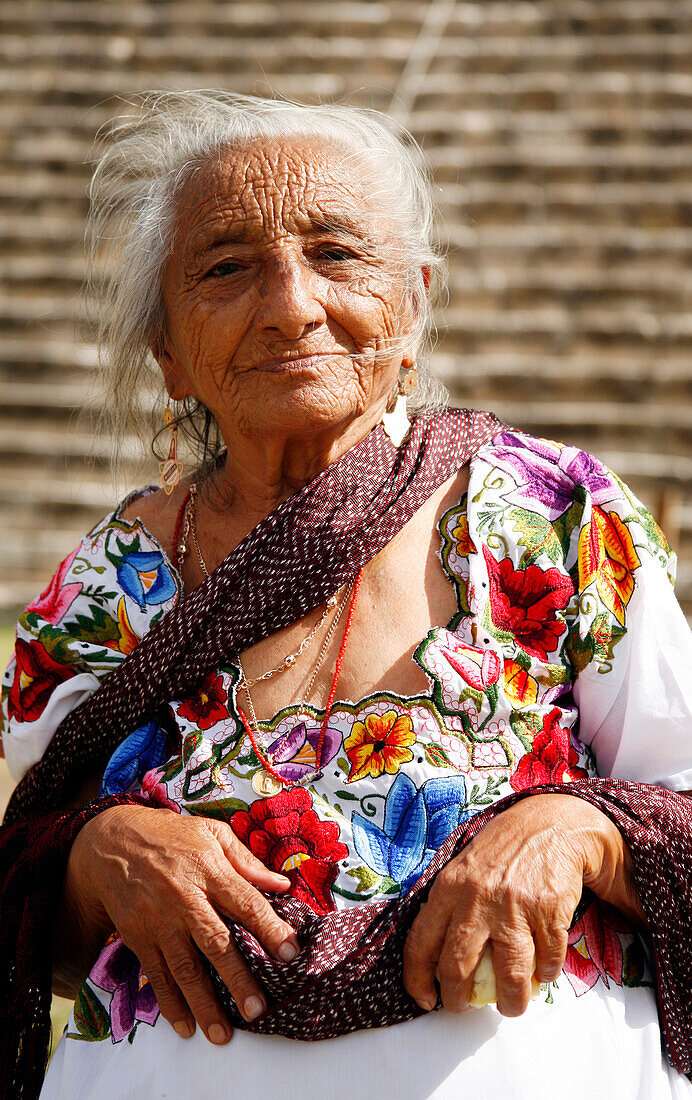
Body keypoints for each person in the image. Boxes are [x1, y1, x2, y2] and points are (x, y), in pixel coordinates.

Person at [2, 92, 691, 1100]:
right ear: (167, 351)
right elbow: (30, 907)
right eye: (226, 267)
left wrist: (577, 830)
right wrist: (98, 856)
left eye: (334, 253)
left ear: (408, 307)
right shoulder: (104, 584)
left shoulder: (552, 519)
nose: (289, 302)